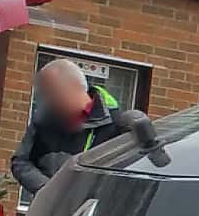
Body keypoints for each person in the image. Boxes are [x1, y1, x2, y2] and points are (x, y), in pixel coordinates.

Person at [12, 57, 126, 197]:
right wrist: (46, 189)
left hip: (92, 213)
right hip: (49, 212)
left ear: (69, 89)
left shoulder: (115, 124)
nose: (46, 101)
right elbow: (21, 161)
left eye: (49, 94)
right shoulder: (44, 120)